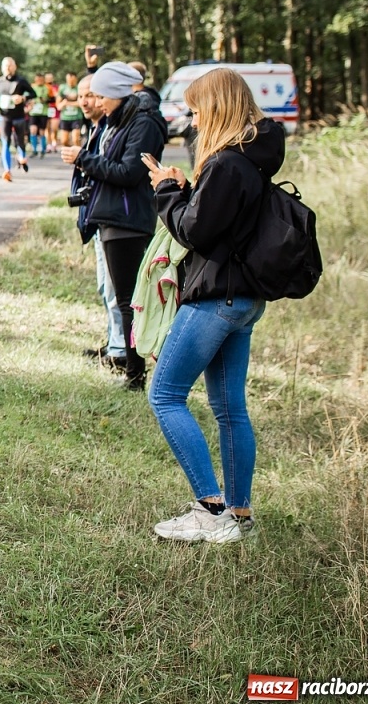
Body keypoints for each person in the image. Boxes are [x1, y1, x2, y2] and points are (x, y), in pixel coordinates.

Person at [145, 68, 283, 543]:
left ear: (218, 106)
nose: (193, 116)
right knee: (229, 409)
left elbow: (196, 231)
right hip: (244, 298)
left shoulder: (226, 164)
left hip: (216, 299)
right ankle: (238, 515)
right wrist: (185, 189)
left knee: (164, 395)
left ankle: (210, 508)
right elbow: (217, 222)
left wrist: (165, 190)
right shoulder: (253, 158)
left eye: (197, 106)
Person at [60, 61, 166, 390]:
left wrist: (84, 159)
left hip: (128, 219)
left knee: (129, 301)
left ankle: (136, 373)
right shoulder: (120, 121)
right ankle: (134, 366)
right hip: (112, 218)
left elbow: (128, 172)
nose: (98, 102)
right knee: (124, 298)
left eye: (102, 95)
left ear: (118, 94)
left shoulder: (142, 123)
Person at [72, 74, 126, 367]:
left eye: (91, 95)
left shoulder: (110, 127)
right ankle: (113, 342)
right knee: (105, 287)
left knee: (115, 288)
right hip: (95, 216)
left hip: (113, 217)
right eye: (80, 96)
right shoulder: (94, 128)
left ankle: (120, 351)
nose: (85, 101)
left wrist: (82, 159)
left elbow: (120, 171)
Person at [0, 55, 35, 180]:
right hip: (4, 116)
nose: (7, 67)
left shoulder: (21, 80)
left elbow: (33, 93)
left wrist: (23, 98)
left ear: (14, 66)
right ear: (2, 68)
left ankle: (22, 159)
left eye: (10, 65)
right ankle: (7, 171)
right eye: (5, 65)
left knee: (20, 142)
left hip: (19, 117)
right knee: (5, 142)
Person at [57, 71, 84, 148]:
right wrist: (62, 104)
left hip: (76, 117)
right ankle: (71, 153)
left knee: (75, 139)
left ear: (76, 79)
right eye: (69, 80)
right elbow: (58, 105)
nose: (70, 82)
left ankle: (79, 156)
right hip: (65, 117)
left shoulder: (79, 88)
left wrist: (68, 103)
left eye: (72, 80)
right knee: (64, 141)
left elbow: (81, 103)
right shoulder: (62, 88)